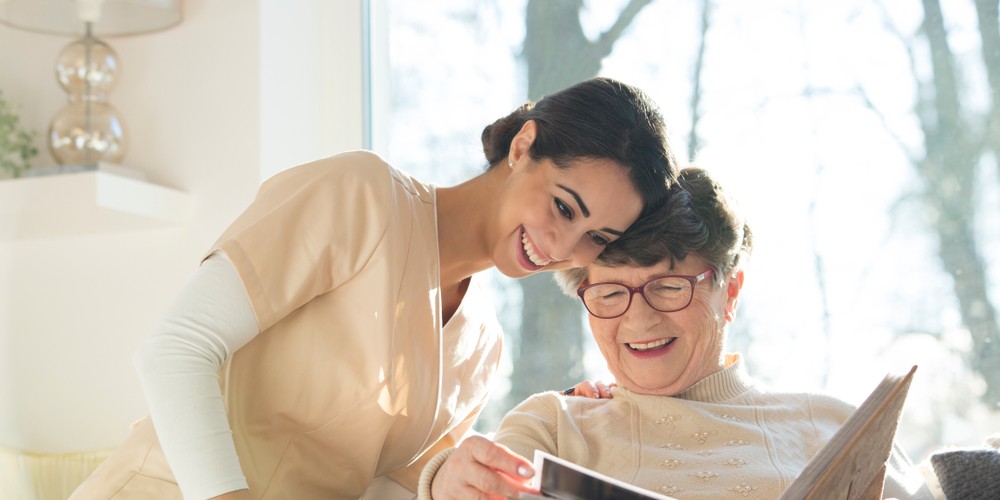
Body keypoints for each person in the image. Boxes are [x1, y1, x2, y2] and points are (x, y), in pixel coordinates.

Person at [68, 77, 681, 500]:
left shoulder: (483, 346)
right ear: (524, 146)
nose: (563, 247)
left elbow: (384, 487)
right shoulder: (361, 196)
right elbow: (176, 349)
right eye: (563, 207)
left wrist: (549, 442)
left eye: (597, 238)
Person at [422, 167, 935, 499]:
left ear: (729, 292)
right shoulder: (554, 425)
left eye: (668, 287)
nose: (639, 321)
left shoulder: (836, 427)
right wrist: (442, 482)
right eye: (609, 294)